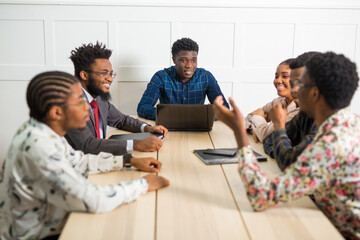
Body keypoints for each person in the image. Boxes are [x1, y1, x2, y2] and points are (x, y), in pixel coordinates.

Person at [0, 71, 170, 239]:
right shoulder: (39, 147)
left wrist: (128, 161)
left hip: (52, 220)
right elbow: (93, 200)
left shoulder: (41, 131)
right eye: (80, 102)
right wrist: (143, 185)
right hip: (39, 234)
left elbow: (78, 160)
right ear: (56, 113)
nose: (87, 107)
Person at [213, 52, 360, 239]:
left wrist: (239, 132)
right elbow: (272, 141)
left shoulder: (332, 144)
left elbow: (261, 196)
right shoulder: (347, 123)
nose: (294, 89)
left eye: (300, 84)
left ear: (314, 93)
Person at [65, 42, 168, 155]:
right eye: (104, 73)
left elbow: (121, 120)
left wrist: (148, 129)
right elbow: (88, 144)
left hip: (100, 159)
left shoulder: (99, 99)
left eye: (111, 74)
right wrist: (136, 144)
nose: (110, 79)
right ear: (84, 75)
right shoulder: (70, 104)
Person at [137, 37, 229, 120]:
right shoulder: (161, 77)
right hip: (169, 127)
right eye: (183, 60)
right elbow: (143, 108)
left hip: (198, 127)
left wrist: (204, 115)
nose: (189, 66)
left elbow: (224, 108)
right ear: (174, 60)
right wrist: (168, 115)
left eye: (193, 60)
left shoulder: (206, 77)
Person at [263, 52, 319, 170]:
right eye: (292, 84)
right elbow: (269, 140)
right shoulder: (306, 116)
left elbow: (288, 163)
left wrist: (279, 127)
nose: (294, 90)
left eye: (300, 83)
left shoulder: (325, 130)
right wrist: (283, 153)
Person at [244, 58, 299, 143]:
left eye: (284, 76)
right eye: (276, 76)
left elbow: (267, 137)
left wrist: (257, 119)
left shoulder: (298, 110)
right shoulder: (279, 101)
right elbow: (248, 117)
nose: (278, 80)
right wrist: (254, 129)